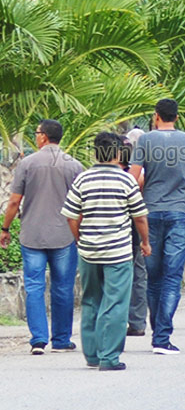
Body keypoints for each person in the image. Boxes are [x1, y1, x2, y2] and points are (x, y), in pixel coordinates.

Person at [60, 132, 150, 371]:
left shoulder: (83, 179)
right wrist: (145, 242)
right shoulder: (126, 180)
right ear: (118, 153)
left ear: (96, 153)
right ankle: (109, 358)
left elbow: (71, 215)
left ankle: (92, 355)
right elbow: (139, 217)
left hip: (88, 251)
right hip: (118, 253)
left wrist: (79, 238)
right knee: (116, 303)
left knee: (90, 300)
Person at [128, 99, 185, 355]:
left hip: (150, 213)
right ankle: (162, 337)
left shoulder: (145, 141)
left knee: (154, 277)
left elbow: (134, 177)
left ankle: (157, 331)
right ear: (177, 117)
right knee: (172, 277)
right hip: (180, 213)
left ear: (156, 116)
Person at [1, 120, 84, 355]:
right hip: (65, 235)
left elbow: (15, 201)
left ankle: (38, 340)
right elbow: (81, 204)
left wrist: (5, 228)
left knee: (34, 286)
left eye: (37, 133)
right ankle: (61, 340)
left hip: (32, 235)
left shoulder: (27, 164)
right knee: (63, 287)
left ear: (44, 137)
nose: (36, 136)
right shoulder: (74, 165)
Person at [123, 128, 149, 338]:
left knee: (130, 272)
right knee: (138, 272)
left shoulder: (135, 171)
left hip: (130, 224)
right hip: (138, 224)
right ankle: (137, 321)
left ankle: (132, 320)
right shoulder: (144, 169)